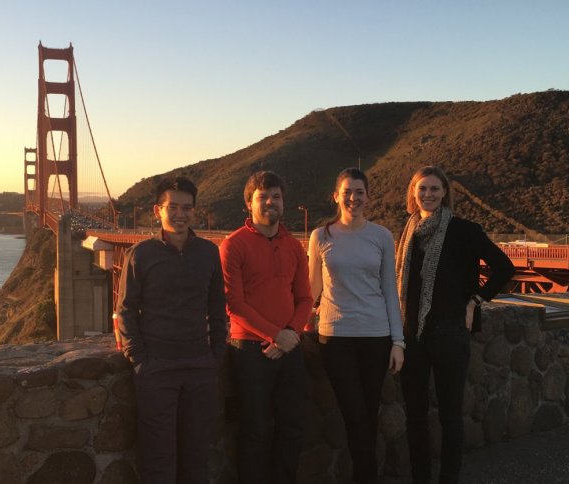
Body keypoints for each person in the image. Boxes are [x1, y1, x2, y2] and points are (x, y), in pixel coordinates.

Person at [396, 166, 514, 484]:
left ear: (445, 193)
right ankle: (420, 476)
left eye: (435, 189)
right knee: (416, 414)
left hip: (450, 333)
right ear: (413, 193)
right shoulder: (407, 233)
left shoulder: (464, 230)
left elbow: (504, 267)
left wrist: (475, 301)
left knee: (450, 414)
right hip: (412, 336)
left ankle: (449, 477)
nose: (428, 195)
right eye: (422, 189)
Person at [116, 176, 227, 484]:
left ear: (195, 211)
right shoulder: (140, 254)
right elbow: (125, 310)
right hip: (157, 370)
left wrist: (214, 356)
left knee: (196, 458)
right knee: (158, 461)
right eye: (173, 207)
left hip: (199, 369)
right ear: (158, 210)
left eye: (187, 208)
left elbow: (218, 308)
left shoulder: (208, 253)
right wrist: (139, 360)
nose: (180, 214)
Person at [307, 167, 405, 484]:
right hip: (335, 337)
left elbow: (390, 290)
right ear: (336, 196)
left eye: (359, 192)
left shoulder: (381, 236)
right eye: (347, 191)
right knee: (354, 413)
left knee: (368, 412)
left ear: (367, 196)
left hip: (376, 337)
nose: (353, 198)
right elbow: (312, 290)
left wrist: (398, 342)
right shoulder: (321, 236)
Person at [219, 170, 313, 484]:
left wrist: (291, 333)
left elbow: (304, 297)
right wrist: (276, 335)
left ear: (283, 202)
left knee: (292, 427)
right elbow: (234, 304)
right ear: (249, 203)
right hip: (248, 348)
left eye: (276, 196)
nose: (270, 202)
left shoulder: (294, 246)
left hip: (290, 345)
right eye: (262, 197)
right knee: (255, 429)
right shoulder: (233, 245)